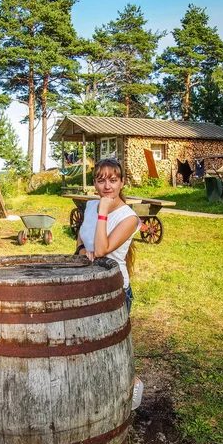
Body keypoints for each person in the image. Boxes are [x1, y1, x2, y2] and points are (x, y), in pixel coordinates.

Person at [75, 158, 144, 410]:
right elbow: (83, 238)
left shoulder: (129, 218)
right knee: (87, 345)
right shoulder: (91, 206)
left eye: (113, 180)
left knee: (112, 348)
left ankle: (133, 383)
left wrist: (104, 210)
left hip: (114, 291)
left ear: (121, 182)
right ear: (94, 183)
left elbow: (102, 249)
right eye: (101, 180)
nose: (107, 186)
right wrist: (82, 251)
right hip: (87, 285)